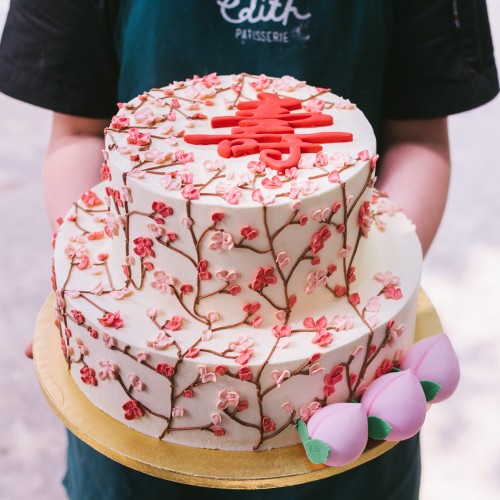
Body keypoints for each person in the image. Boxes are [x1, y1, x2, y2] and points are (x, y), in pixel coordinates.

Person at [0, 1, 497, 498]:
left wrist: (378, 322)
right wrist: (88, 299)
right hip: (132, 445)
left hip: (347, 426)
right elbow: (79, 131)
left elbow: (419, 138)